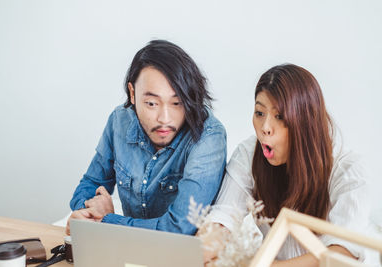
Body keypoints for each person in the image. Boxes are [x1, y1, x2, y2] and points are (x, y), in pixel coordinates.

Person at [200, 64, 368, 266]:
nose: (265, 128)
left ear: (306, 121)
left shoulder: (348, 170)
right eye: (260, 113)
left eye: (279, 116)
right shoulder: (249, 154)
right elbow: (224, 217)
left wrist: (267, 265)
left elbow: (342, 254)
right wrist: (202, 251)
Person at [66, 40, 227, 235]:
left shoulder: (208, 137)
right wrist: (87, 212)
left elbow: (179, 228)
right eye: (151, 103)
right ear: (133, 94)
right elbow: (92, 182)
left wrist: (108, 221)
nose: (164, 119)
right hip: (124, 250)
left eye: (177, 103)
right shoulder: (120, 120)